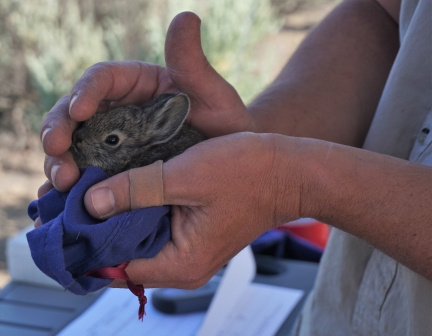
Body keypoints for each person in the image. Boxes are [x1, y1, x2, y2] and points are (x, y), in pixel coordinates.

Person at [36, 0, 431, 334]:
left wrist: (288, 182)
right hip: (334, 314)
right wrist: (253, 135)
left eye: (108, 142)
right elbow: (388, 12)